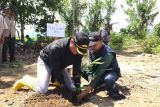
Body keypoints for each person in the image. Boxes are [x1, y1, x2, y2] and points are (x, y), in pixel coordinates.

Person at [13, 32, 90, 94]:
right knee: (42, 89)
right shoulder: (56, 47)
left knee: (72, 87)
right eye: (78, 50)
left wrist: (77, 84)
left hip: (60, 65)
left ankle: (55, 81)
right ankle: (26, 79)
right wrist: (62, 82)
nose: (78, 53)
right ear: (72, 42)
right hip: (45, 62)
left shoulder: (79, 52)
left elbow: (77, 68)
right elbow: (55, 68)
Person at [78, 32, 125, 101]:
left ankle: (113, 90)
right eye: (90, 45)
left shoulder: (108, 53)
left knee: (108, 79)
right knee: (81, 70)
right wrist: (91, 78)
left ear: (101, 42)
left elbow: (100, 71)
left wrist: (87, 89)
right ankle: (100, 84)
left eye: (94, 45)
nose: (92, 47)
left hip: (110, 72)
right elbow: (91, 66)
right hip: (97, 72)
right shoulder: (91, 50)